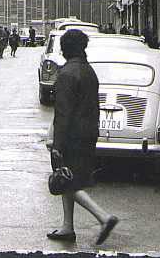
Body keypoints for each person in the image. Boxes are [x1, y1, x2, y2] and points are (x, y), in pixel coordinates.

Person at [48, 29, 119, 245]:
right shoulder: (89, 71)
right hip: (88, 133)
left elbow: (63, 113)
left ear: (64, 49)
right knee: (68, 176)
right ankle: (67, 227)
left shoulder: (67, 73)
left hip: (71, 136)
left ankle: (103, 217)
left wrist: (57, 143)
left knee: (69, 182)